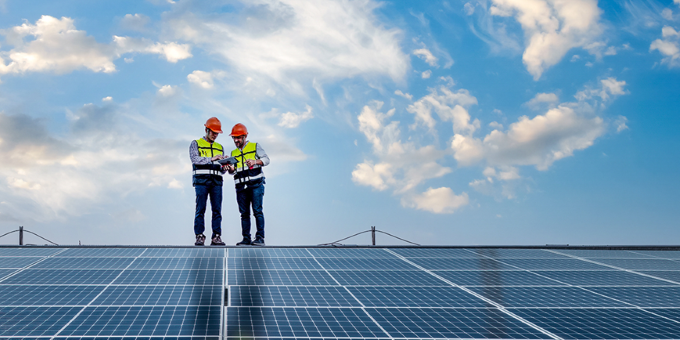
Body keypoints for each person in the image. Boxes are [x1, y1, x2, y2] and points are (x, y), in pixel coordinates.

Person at [225, 123, 270, 246]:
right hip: (241, 188)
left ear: (245, 136)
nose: (236, 140)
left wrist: (255, 161)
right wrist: (230, 169)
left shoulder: (255, 146)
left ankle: (260, 238)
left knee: (257, 211)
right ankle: (246, 239)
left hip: (256, 185)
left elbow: (266, 160)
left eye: (238, 137)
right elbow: (234, 171)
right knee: (244, 214)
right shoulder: (233, 152)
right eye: (234, 137)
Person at [189, 117, 228, 246]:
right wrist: (211, 159)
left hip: (216, 182)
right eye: (213, 132)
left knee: (217, 210)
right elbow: (195, 159)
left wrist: (225, 166)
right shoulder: (196, 143)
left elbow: (221, 170)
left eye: (217, 133)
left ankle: (216, 236)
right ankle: (199, 235)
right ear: (206, 129)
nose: (215, 135)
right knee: (200, 209)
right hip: (201, 182)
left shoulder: (220, 147)